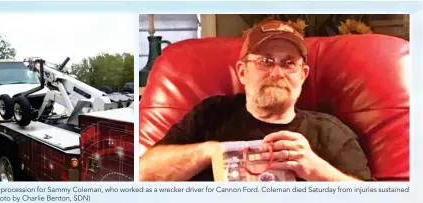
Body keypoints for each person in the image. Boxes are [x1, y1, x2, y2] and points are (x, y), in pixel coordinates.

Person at [139, 19, 371, 182]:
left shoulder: (329, 132)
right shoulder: (210, 115)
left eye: (289, 63)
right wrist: (211, 152)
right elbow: (143, 174)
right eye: (265, 61)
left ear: (303, 74)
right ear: (242, 72)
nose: (277, 73)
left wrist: (316, 170)